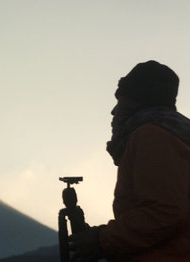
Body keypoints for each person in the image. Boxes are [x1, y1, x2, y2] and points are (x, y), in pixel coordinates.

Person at [70, 61, 190, 261]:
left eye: (120, 100)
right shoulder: (172, 135)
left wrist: (101, 241)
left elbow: (164, 213)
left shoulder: (151, 136)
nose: (113, 111)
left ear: (137, 101)